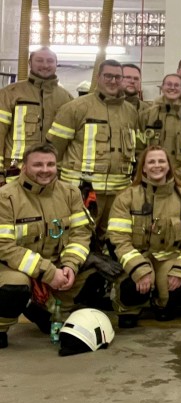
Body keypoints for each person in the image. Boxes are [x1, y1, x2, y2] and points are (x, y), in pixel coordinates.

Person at [0, 144, 92, 348]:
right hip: (13, 266)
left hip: (57, 262)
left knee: (97, 270)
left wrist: (70, 265)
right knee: (14, 287)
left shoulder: (70, 193)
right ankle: (2, 325)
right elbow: (4, 246)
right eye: (38, 164)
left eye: (50, 164)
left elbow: (81, 233)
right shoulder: (5, 197)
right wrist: (49, 272)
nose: (45, 169)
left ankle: (48, 312)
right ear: (24, 167)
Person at [108, 146, 181, 328]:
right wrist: (139, 270)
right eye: (151, 162)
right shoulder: (126, 197)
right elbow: (119, 239)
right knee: (132, 289)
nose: (157, 165)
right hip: (139, 255)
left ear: (169, 166)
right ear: (143, 168)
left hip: (168, 255)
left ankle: (161, 302)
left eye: (161, 161)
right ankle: (128, 307)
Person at [47, 59, 139, 248]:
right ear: (98, 77)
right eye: (108, 76)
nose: (113, 81)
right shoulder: (75, 108)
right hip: (83, 191)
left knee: (112, 241)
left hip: (117, 194)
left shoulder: (131, 112)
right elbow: (53, 150)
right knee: (77, 238)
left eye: (117, 77)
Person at [0, 47, 73, 185]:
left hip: (51, 174)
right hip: (16, 172)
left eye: (50, 61)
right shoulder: (9, 94)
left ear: (56, 64)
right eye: (39, 60)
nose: (45, 65)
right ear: (30, 63)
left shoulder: (66, 98)